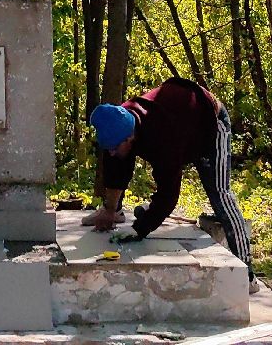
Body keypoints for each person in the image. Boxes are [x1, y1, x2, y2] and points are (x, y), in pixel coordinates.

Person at [84, 77, 252, 272]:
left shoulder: (163, 137)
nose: (111, 152)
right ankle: (127, 213)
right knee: (119, 161)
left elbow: (169, 195)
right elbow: (116, 170)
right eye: (108, 149)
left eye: (114, 148)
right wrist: (110, 210)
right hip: (182, 121)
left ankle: (247, 271)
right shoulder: (118, 122)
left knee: (220, 194)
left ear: (130, 138)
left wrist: (139, 230)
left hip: (210, 122)